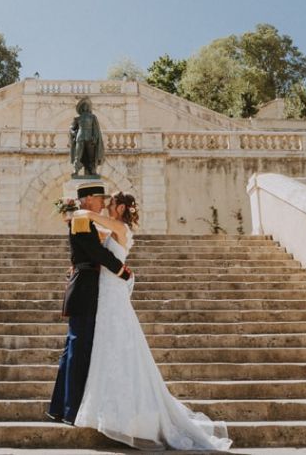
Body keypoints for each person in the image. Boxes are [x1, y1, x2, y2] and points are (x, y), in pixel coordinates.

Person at [72, 192, 232, 451]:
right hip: (108, 291)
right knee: (111, 347)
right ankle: (115, 409)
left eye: (110, 204)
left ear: (121, 208)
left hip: (112, 293)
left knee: (118, 346)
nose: (106, 207)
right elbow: (94, 242)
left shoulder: (120, 227)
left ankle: (126, 415)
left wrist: (74, 209)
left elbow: (89, 217)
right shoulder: (113, 229)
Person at [48, 182, 133, 425]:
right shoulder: (82, 219)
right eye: (99, 198)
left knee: (73, 350)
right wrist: (123, 271)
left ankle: (61, 407)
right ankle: (71, 409)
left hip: (85, 287)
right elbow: (97, 254)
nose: (104, 202)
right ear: (87, 200)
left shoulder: (85, 219)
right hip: (85, 289)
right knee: (78, 351)